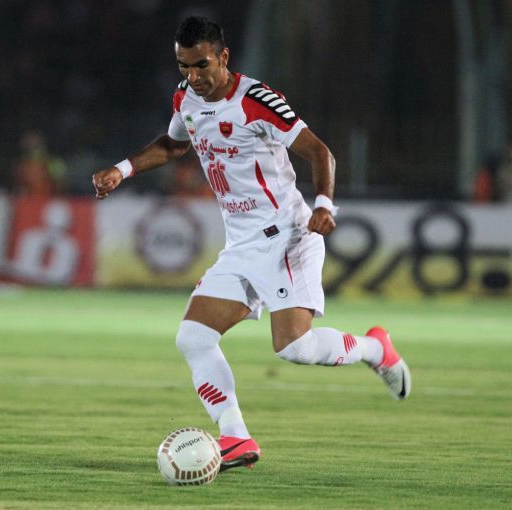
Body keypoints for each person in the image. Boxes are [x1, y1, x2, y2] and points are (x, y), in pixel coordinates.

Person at [92, 17, 411, 473]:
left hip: (286, 235)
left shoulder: (256, 101)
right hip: (241, 244)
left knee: (294, 348)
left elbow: (320, 152)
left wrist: (324, 205)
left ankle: (375, 349)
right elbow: (174, 146)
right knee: (193, 337)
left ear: (223, 57)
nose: (193, 76)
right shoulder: (185, 98)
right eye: (184, 66)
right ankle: (236, 436)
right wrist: (121, 170)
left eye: (202, 65)